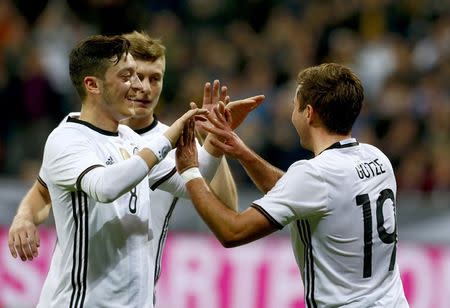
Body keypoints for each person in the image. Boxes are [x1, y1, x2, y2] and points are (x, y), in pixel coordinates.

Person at [175, 63, 409, 307]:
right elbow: (300, 193)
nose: (291, 114)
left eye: (295, 106)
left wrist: (190, 170)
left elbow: (232, 232)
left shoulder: (314, 175)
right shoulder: (377, 158)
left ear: (309, 113)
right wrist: (244, 153)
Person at [20, 34, 227, 308]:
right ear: (92, 85)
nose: (138, 86)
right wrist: (167, 141)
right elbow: (104, 187)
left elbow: (188, 181)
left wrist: (214, 139)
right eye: (127, 76)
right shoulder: (67, 140)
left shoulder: (131, 140)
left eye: (143, 77)